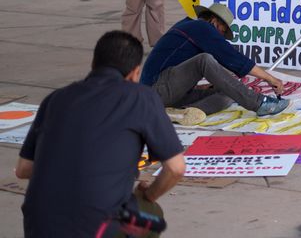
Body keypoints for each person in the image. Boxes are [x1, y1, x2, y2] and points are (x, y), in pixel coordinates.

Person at [16, 31, 185, 237]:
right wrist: (147, 196)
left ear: (94, 64)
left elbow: (23, 169)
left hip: (38, 224)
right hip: (96, 226)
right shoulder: (140, 97)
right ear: (135, 73)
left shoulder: (55, 99)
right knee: (151, 215)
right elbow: (176, 169)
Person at [142, 3, 290, 124]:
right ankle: (259, 103)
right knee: (204, 60)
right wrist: (270, 78)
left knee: (229, 91)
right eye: (222, 31)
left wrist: (199, 85)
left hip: (166, 93)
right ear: (213, 20)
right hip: (155, 90)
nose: (221, 36)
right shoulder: (201, 27)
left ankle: (182, 112)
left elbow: (177, 64)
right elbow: (235, 59)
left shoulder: (190, 27)